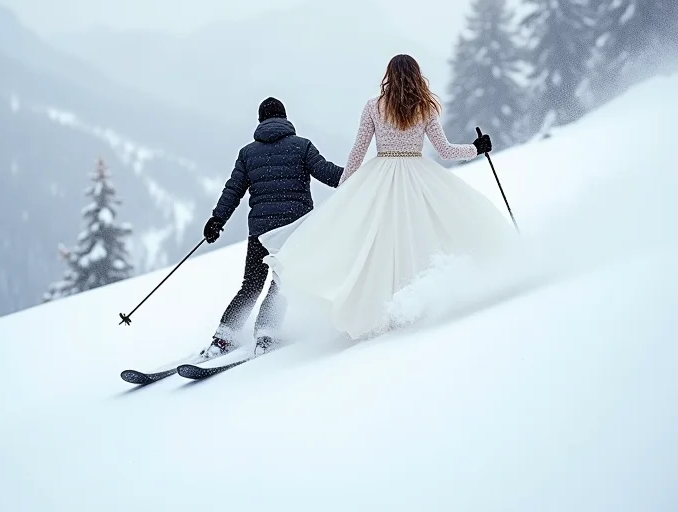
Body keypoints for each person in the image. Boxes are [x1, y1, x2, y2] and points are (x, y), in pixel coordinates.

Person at [260, 54, 517, 341]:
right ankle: (420, 301)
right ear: (417, 75)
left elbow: (357, 153)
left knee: (379, 244)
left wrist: (345, 189)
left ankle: (383, 306)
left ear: (389, 76)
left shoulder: (374, 106)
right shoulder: (425, 107)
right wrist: (476, 148)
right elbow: (444, 151)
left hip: (380, 178)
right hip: (419, 177)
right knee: (423, 234)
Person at [199, 96, 344, 358]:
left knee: (251, 285)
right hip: (294, 231)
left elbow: (233, 191)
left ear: (260, 121)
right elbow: (330, 174)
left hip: (261, 233)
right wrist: (363, 174)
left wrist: (216, 220)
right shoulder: (302, 147)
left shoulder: (247, 153)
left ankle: (222, 338)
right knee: (281, 283)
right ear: (285, 119)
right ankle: (266, 334)